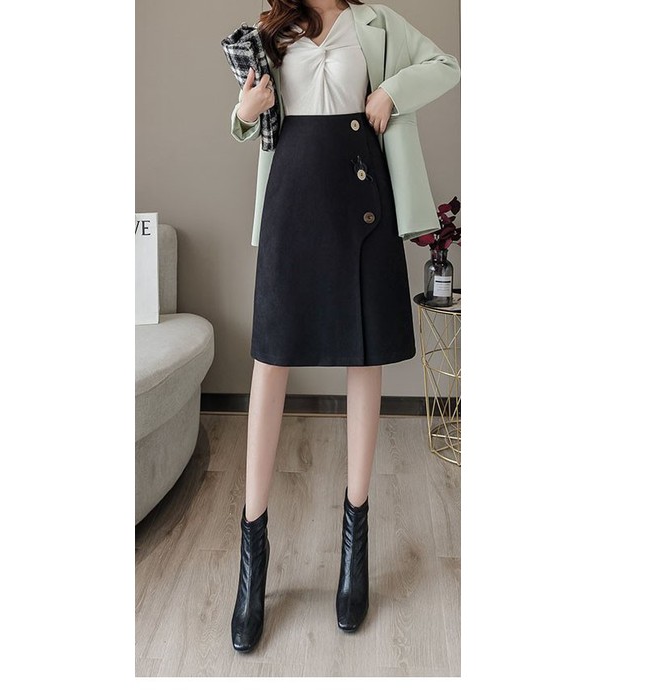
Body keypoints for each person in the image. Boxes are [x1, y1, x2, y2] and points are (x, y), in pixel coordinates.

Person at [228, 0, 460, 653]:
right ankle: (253, 558)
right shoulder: (271, 29)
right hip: (290, 198)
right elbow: (245, 118)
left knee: (365, 357)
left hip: (363, 197)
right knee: (271, 360)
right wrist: (245, 112)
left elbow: (447, 64)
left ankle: (355, 549)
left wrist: (390, 91)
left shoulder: (377, 23)